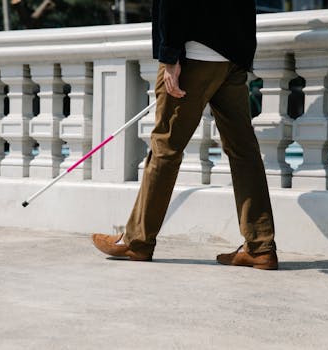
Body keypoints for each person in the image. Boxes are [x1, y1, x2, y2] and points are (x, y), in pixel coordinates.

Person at [92, 0, 278, 270]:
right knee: (244, 152)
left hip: (194, 52)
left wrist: (170, 55)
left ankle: (137, 241)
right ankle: (261, 247)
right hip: (233, 53)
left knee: (165, 149)